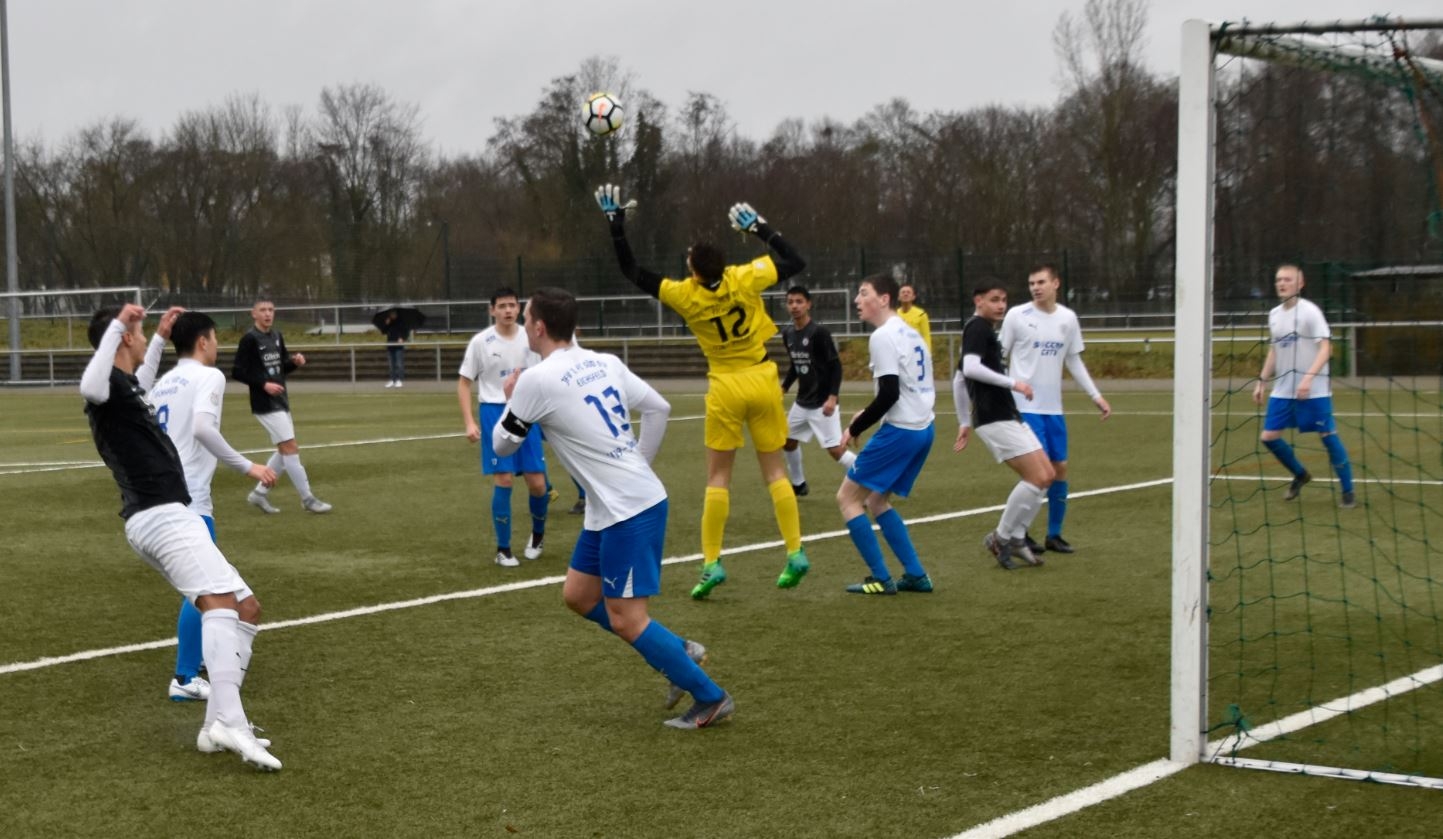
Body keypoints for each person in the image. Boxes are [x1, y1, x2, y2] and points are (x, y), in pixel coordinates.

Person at [496, 287, 733, 729]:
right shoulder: (605, 362)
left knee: (627, 619)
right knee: (579, 596)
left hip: (629, 510)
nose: (524, 324)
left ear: (539, 327)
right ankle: (676, 650)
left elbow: (502, 442)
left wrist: (512, 399)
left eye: (527, 317)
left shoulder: (534, 379)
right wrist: (637, 462)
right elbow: (658, 407)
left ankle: (711, 696)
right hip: (616, 506)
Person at [81, 304, 281, 770]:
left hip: (175, 512)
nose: (142, 332)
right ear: (121, 338)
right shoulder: (104, 386)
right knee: (219, 603)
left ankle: (216, 725)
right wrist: (116, 327)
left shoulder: (129, 387)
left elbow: (143, 381)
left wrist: (156, 338)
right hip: (160, 515)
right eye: (138, 329)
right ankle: (230, 722)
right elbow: (90, 385)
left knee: (246, 606)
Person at [596, 184, 809, 599]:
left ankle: (711, 562)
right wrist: (761, 229)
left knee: (718, 477)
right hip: (763, 378)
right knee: (776, 473)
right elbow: (796, 260)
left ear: (693, 270)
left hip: (726, 384)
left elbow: (632, 271)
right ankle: (795, 551)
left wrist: (616, 227)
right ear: (723, 265)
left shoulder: (685, 295)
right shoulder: (744, 278)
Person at [151, 311, 279, 704]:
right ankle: (186, 677)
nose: (217, 346)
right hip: (189, 497)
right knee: (207, 586)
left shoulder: (163, 383)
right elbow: (203, 428)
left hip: (161, 491)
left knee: (204, 584)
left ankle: (199, 664)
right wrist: (248, 466)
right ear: (204, 342)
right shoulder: (210, 376)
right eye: (214, 338)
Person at [997, 264, 1112, 554]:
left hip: (1054, 409)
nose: (1035, 287)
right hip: (1025, 406)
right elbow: (999, 356)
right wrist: (1000, 391)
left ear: (1055, 284)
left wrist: (1095, 395)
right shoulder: (1017, 316)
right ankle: (1021, 533)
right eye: (1031, 282)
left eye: (1041, 282)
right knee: (1041, 470)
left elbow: (1073, 360)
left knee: (1060, 468)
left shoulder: (1067, 319)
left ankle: (1054, 534)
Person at [835, 275, 936, 595]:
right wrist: (865, 414)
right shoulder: (911, 333)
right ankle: (916, 575)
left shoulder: (882, 336)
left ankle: (881, 578)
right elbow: (905, 388)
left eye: (864, 293)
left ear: (884, 299)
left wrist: (855, 427)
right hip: (924, 428)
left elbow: (890, 393)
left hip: (901, 431)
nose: (857, 300)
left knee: (848, 499)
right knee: (877, 500)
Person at [953, 280, 1055, 570]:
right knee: (1036, 477)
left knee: (1047, 475)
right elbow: (970, 369)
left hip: (1006, 414)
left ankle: (1018, 537)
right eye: (994, 299)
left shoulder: (986, 332)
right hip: (993, 417)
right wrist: (1015, 383)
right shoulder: (977, 327)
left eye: (1004, 300)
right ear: (978, 300)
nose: (1001, 305)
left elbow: (959, 379)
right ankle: (1000, 537)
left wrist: (963, 422)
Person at [458, 287, 551, 566]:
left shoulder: (532, 336)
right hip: (494, 412)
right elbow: (464, 382)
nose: (508, 310)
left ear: (519, 308)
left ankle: (537, 535)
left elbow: (546, 372)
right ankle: (504, 549)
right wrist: (469, 422)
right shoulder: (480, 342)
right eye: (502, 306)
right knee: (505, 479)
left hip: (527, 408)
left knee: (537, 483)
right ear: (492, 310)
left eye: (512, 305)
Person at [1252, 263, 1355, 508]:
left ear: (1301, 283)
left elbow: (1326, 348)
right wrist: (1261, 381)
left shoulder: (1310, 312)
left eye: (1288, 279)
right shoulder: (1274, 315)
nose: (1282, 283)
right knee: (1268, 437)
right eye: (1279, 279)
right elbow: (1274, 351)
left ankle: (1348, 492)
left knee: (1328, 437)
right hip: (1284, 390)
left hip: (1314, 391)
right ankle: (1300, 474)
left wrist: (1308, 378)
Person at [231, 296, 332, 515]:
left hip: (281, 400)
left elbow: (282, 367)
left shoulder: (276, 336)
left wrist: (294, 363)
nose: (268, 314)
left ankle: (259, 494)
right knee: (290, 448)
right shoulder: (249, 339)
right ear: (254, 313)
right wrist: (263, 385)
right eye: (263, 310)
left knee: (284, 451)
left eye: (271, 309)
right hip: (264, 402)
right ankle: (307, 499)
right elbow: (237, 371)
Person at [780, 285, 855, 496]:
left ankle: (870, 479)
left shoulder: (819, 333)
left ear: (808, 304)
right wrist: (784, 387)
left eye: (799, 302)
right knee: (787, 441)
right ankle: (799, 484)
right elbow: (796, 365)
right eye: (790, 302)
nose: (794, 306)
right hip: (802, 402)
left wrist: (832, 397)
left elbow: (836, 366)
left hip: (823, 404)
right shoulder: (788, 334)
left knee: (835, 450)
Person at [896, 281, 932, 352]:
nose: (905, 294)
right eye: (903, 292)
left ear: (913, 297)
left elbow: (926, 336)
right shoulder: (894, 315)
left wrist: (928, 354)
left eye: (908, 292)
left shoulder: (921, 314)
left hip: (916, 352)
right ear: (899, 297)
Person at [383, 311, 409, 388]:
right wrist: (386, 324)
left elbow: (405, 332)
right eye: (391, 314)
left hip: (398, 346)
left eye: (394, 314)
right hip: (390, 345)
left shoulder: (401, 322)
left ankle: (399, 380)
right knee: (391, 365)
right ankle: (392, 380)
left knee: (399, 364)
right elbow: (383, 331)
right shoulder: (389, 322)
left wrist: (402, 338)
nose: (392, 315)